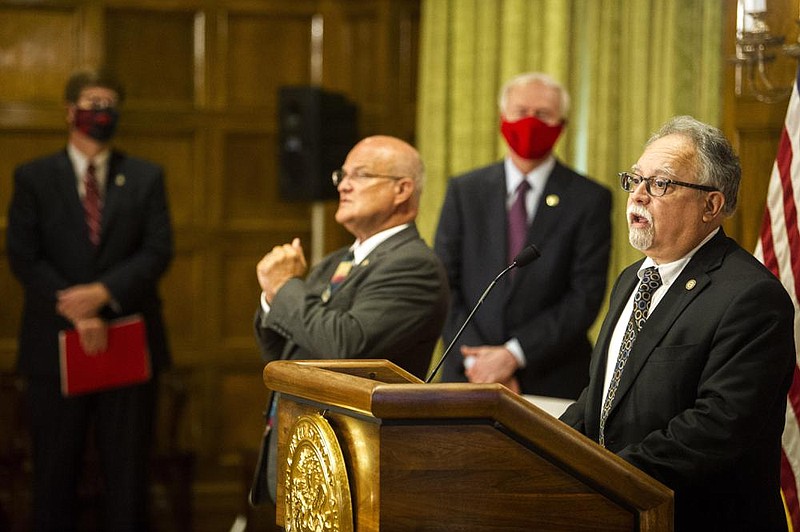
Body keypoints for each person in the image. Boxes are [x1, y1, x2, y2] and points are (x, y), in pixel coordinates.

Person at [559, 116, 795, 531]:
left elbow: (716, 428)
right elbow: (602, 397)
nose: (639, 196)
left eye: (661, 184)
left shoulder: (751, 297)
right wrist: (544, 448)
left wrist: (605, 475)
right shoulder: (632, 279)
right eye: (635, 179)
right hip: (621, 510)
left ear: (711, 205)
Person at [6, 68, 174, 531]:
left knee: (127, 473)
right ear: (69, 111)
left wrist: (103, 294)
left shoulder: (144, 176)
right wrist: (76, 308)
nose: (101, 113)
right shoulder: (34, 177)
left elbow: (158, 249)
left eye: (109, 105)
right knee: (55, 471)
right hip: (54, 343)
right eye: (91, 103)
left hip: (127, 340)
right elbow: (23, 254)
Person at [252, 134, 449, 502]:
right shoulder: (334, 261)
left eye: (359, 174)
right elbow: (279, 351)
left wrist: (285, 287)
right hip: (305, 446)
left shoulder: (413, 265)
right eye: (342, 175)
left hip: (352, 464)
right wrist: (271, 296)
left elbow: (346, 344)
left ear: (402, 189)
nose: (343, 184)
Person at [433, 72, 611, 398]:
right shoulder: (465, 191)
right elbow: (443, 285)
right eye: (521, 112)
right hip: (467, 372)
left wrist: (513, 355)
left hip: (550, 378)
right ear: (503, 119)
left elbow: (584, 296)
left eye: (543, 114)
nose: (531, 122)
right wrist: (482, 365)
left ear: (563, 125)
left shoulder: (590, 199)